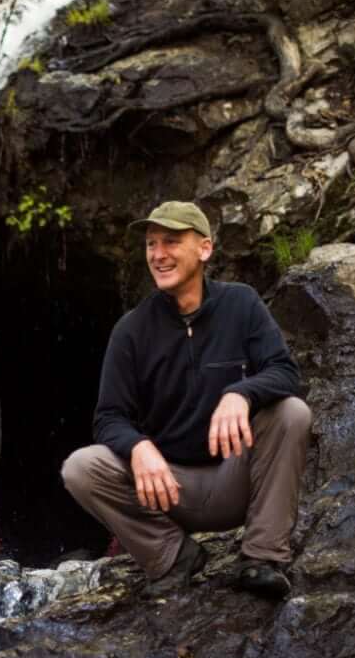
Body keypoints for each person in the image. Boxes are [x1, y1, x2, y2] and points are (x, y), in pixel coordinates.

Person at [60, 201, 311, 599]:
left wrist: (240, 393)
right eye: (151, 244)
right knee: (80, 467)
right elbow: (109, 417)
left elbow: (284, 372)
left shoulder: (241, 304)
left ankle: (262, 558)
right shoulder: (131, 329)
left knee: (292, 413)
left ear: (205, 249)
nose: (158, 255)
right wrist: (138, 447)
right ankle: (174, 557)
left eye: (171, 242)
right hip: (168, 490)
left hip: (237, 478)